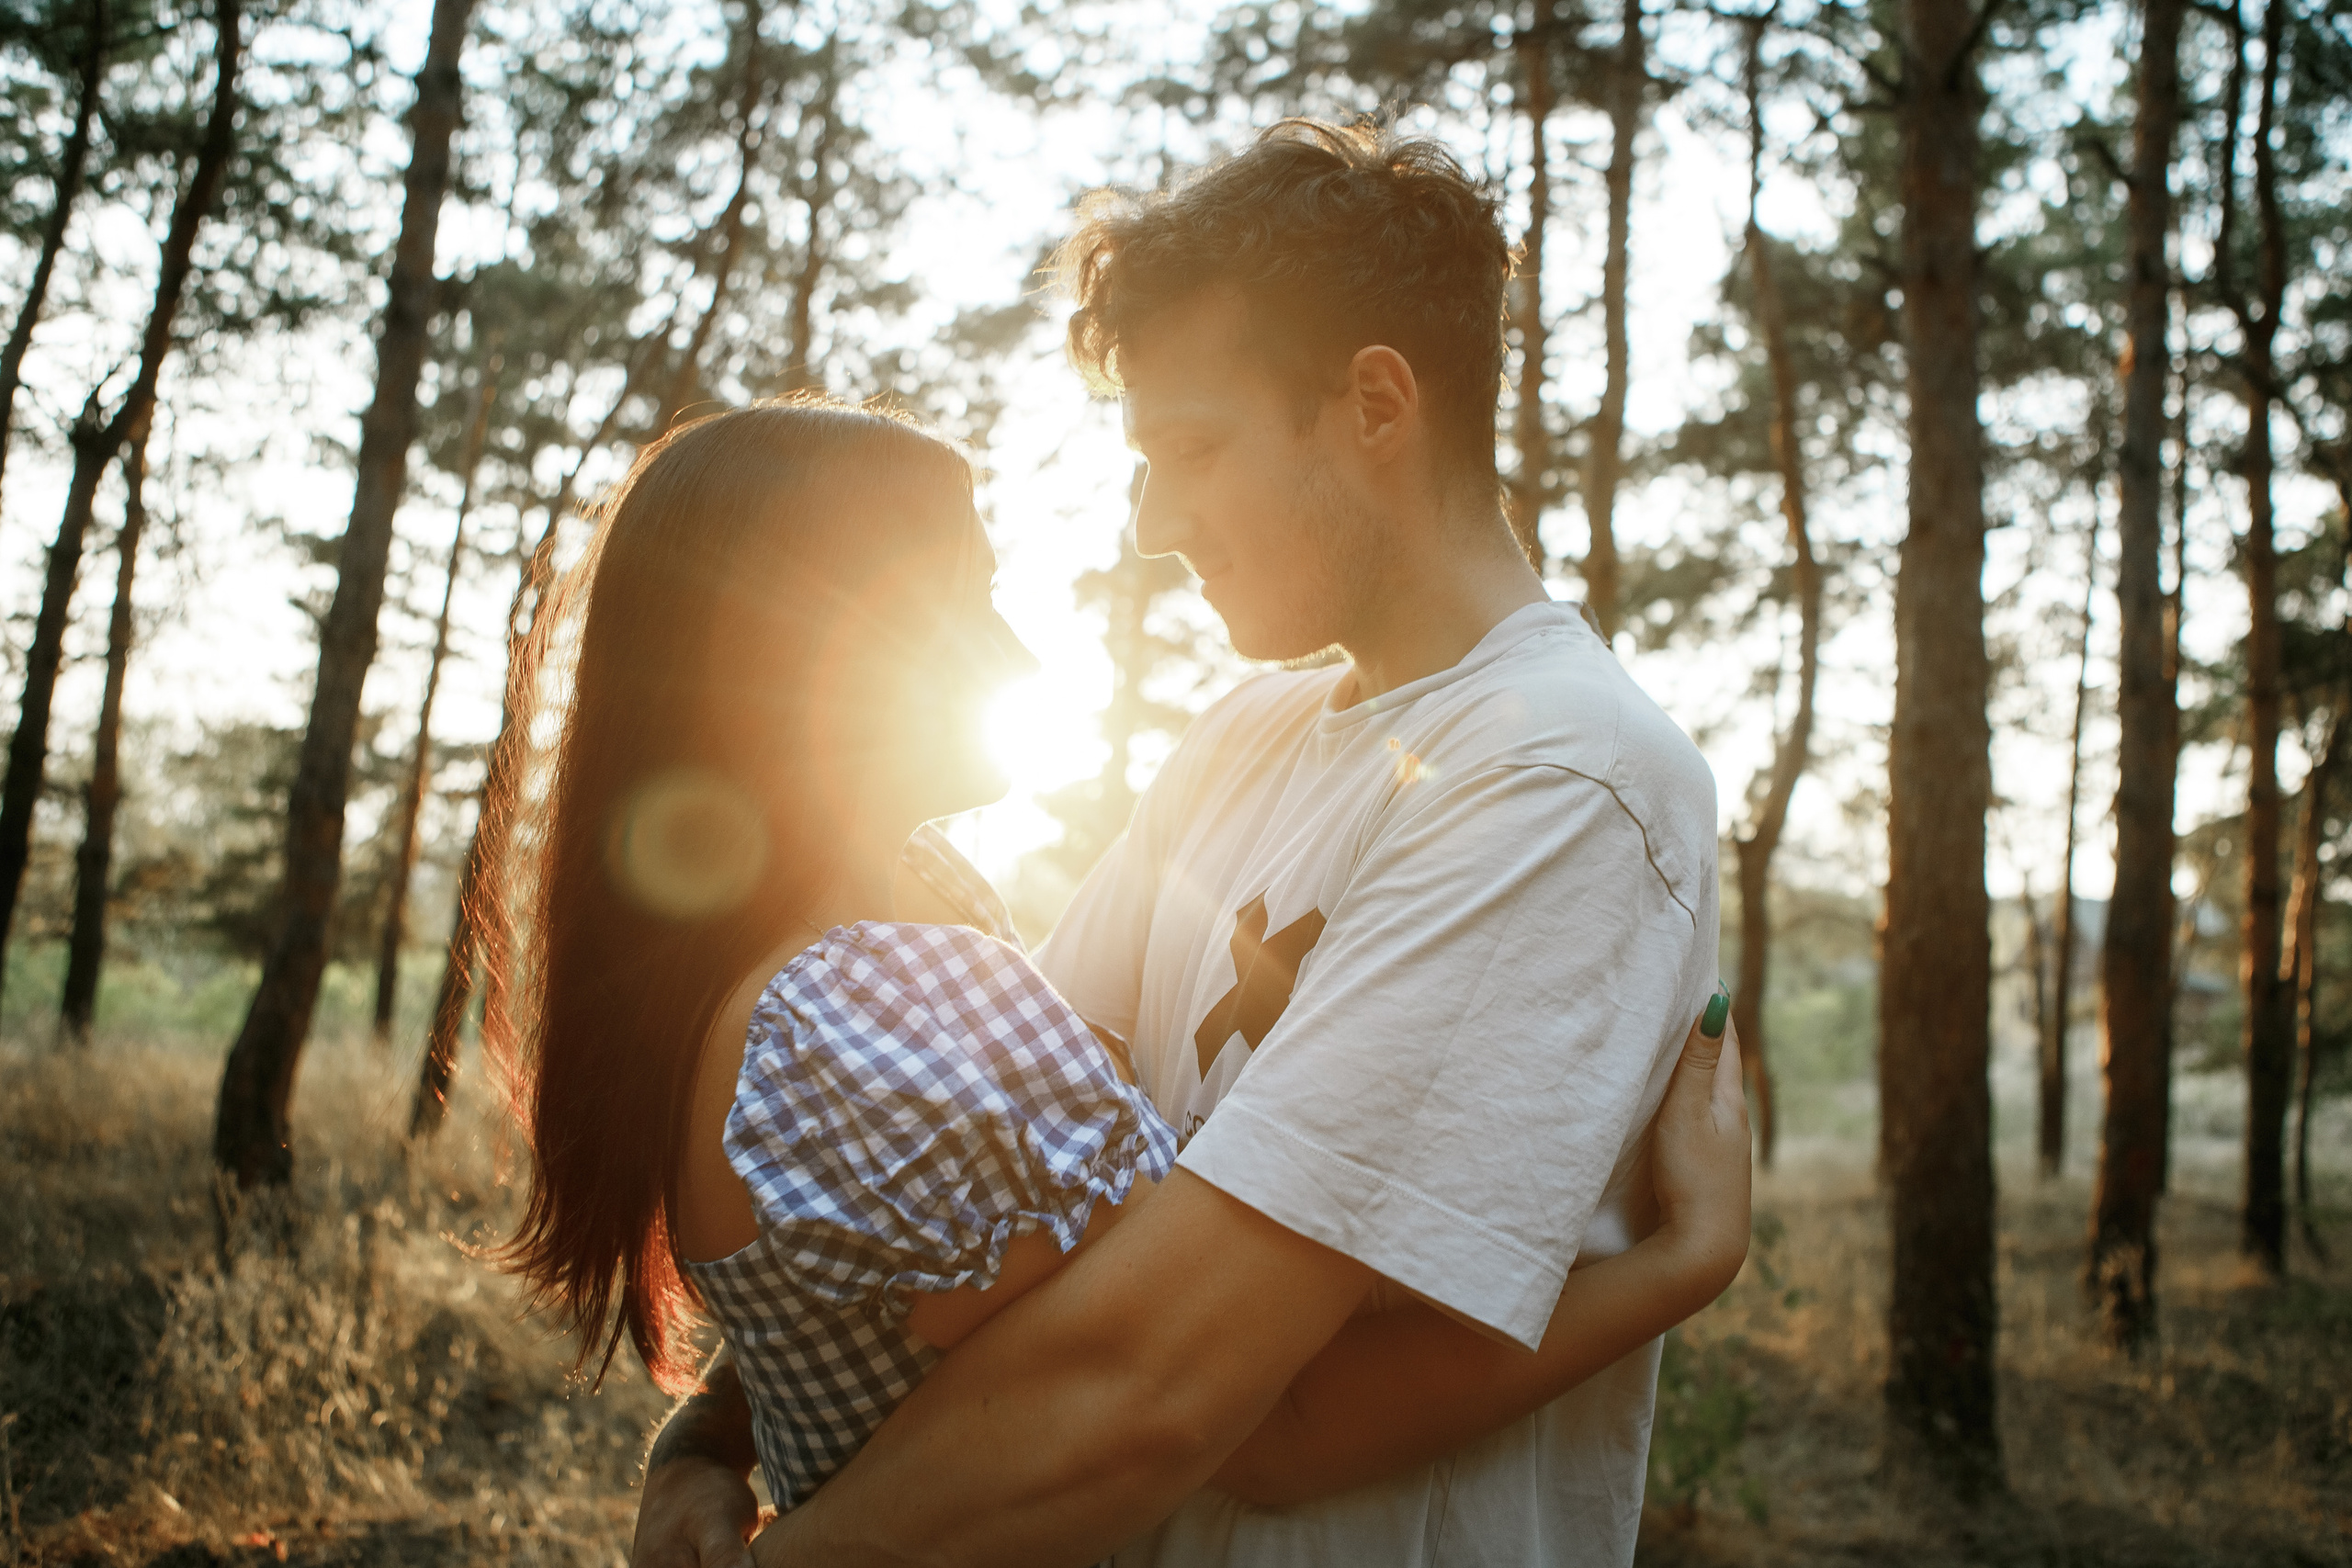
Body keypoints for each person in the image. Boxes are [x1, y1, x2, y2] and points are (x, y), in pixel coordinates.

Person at [626, 120, 1736, 1566]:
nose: (1152, 522)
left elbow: (1233, 1404)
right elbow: (973, 1187)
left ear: (1376, 407)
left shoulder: (1564, 782)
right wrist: (714, 1425)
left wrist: (1687, 1264)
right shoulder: (1243, 737)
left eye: (1191, 448)